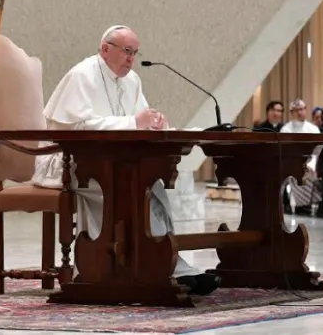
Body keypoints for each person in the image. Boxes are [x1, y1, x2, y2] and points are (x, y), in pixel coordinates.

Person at [32, 25, 219, 295]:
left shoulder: (132, 81)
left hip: (111, 162)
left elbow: (140, 120)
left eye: (134, 53)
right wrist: (133, 122)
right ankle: (108, 267)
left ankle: (164, 265)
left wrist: (155, 123)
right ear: (105, 49)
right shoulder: (82, 75)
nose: (131, 59)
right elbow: (76, 129)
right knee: (121, 189)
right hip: (69, 162)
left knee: (152, 187)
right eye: (126, 51)